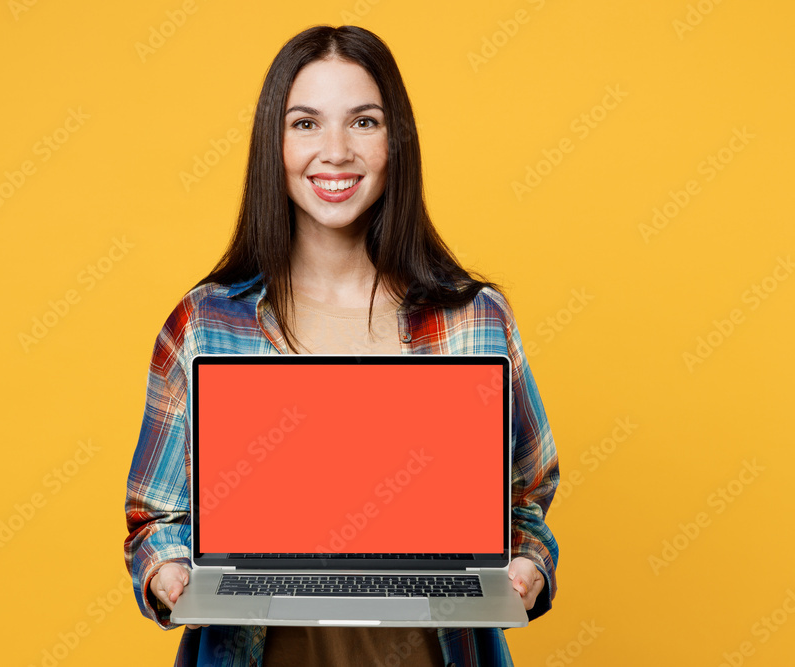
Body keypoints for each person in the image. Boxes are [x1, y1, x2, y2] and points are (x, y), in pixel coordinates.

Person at [126, 24, 559, 666]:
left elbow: (526, 498)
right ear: (273, 143)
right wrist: (170, 574)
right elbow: (154, 521)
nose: (335, 151)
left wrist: (528, 563)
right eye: (305, 124)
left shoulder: (473, 319)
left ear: (396, 142)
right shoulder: (205, 323)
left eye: (364, 122)